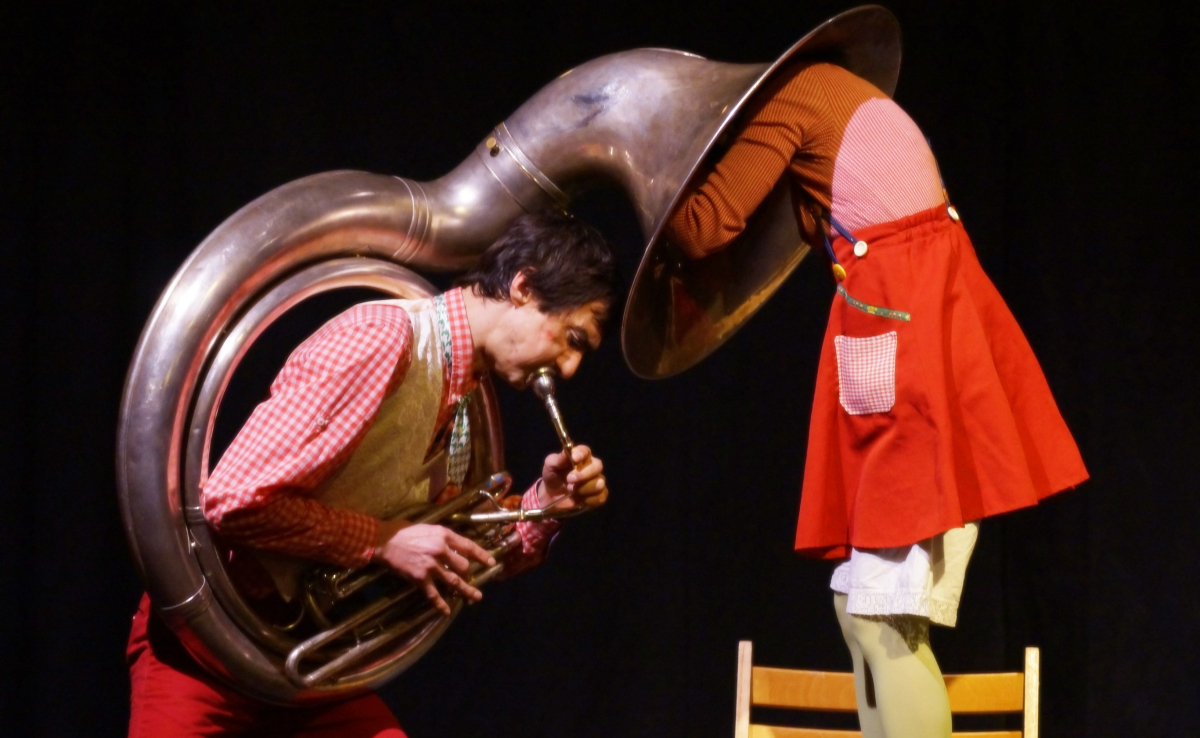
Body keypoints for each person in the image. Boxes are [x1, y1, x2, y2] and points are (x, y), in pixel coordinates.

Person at [665, 61, 1088, 738]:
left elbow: (698, 227)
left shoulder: (796, 98)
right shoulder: (840, 92)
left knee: (882, 621)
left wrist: (661, 169)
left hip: (916, 358)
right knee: (858, 615)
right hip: (919, 337)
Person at [126, 211, 619, 737]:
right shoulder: (382, 339)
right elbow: (233, 499)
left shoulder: (467, 392)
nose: (570, 368)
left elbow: (464, 552)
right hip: (208, 648)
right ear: (523, 287)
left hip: (306, 665)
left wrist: (545, 504)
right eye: (572, 338)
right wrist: (382, 541)